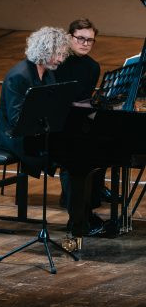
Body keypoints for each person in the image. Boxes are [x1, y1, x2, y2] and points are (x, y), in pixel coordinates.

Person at [0, 26, 70, 178]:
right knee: (65, 152)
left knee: (73, 147)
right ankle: (70, 200)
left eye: (62, 54)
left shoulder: (48, 74)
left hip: (34, 132)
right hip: (12, 136)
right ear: (43, 51)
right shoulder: (19, 76)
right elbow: (16, 119)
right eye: (57, 54)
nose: (60, 59)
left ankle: (74, 199)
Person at [54, 19, 107, 236]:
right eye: (81, 39)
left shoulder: (93, 67)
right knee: (75, 157)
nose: (85, 44)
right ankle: (78, 215)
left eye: (90, 41)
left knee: (102, 146)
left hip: (76, 120)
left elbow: (84, 99)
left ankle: (87, 205)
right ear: (69, 37)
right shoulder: (57, 61)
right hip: (56, 123)